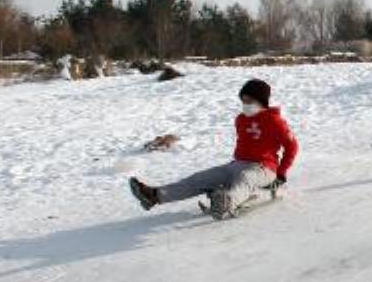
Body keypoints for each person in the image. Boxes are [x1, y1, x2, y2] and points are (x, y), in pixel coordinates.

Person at [128, 78, 299, 219]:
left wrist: (281, 174)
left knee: (245, 178)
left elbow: (292, 146)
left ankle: (227, 203)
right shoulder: (241, 119)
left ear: (261, 101)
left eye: (249, 101)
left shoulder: (275, 122)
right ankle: (155, 195)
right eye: (243, 100)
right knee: (200, 178)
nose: (245, 104)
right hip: (236, 164)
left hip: (264, 168)